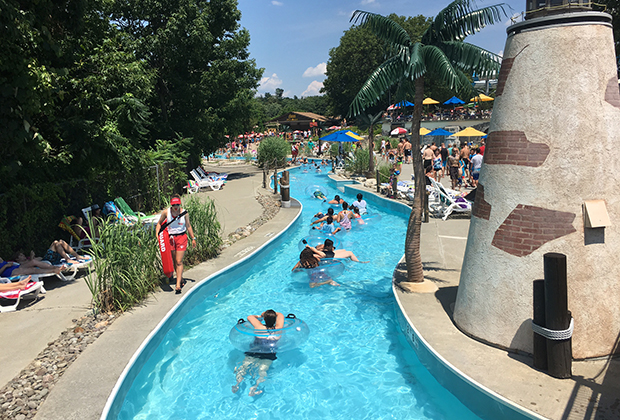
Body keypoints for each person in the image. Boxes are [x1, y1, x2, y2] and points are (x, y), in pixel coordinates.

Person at [232, 309, 285, 396]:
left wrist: (261, 315)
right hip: (269, 354)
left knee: (244, 367)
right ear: (275, 320)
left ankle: (237, 384)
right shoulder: (278, 329)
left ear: (265, 319)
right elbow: (281, 315)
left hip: (254, 351)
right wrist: (269, 315)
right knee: (262, 371)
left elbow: (250, 317)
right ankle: (255, 387)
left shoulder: (259, 327)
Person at [155, 195, 197, 294]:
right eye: (174, 205)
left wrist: (193, 238)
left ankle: (178, 285)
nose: (175, 207)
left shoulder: (184, 213)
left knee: (179, 261)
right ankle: (180, 279)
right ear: (171, 204)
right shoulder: (166, 212)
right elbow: (159, 223)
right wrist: (157, 235)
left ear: (180, 204)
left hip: (182, 238)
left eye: (177, 204)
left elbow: (188, 225)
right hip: (171, 239)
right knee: (174, 261)